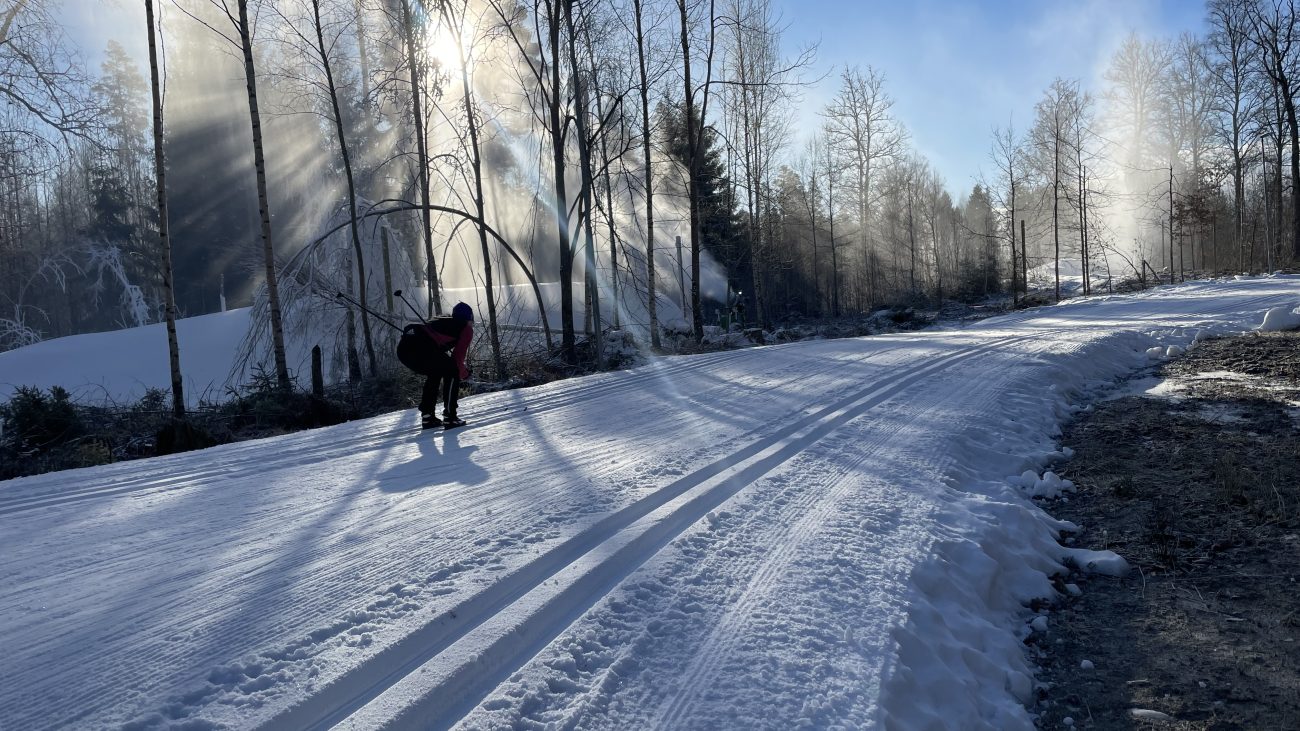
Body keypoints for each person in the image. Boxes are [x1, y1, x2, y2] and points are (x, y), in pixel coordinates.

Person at [419, 302, 473, 429]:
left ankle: (428, 417)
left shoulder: (442, 323)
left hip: (406, 349)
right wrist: (465, 374)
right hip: (423, 349)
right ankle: (450, 417)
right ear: (469, 318)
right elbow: (457, 360)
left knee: (435, 372)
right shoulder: (466, 329)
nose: (472, 324)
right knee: (452, 370)